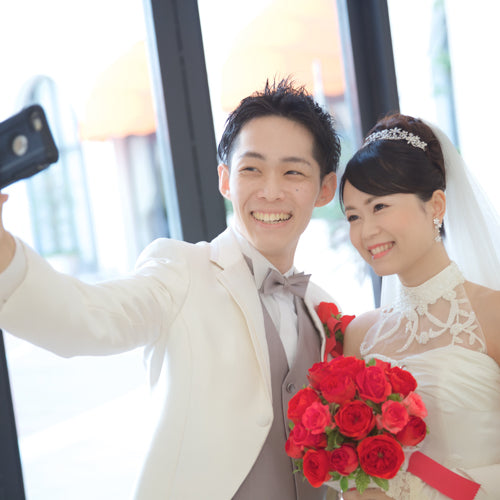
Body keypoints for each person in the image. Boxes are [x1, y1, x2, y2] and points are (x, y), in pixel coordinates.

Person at [0, 79, 341, 499]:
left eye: (293, 172)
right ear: (225, 180)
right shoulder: (180, 270)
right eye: (251, 168)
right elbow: (86, 318)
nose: (271, 191)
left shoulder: (322, 307)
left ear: (324, 188)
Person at [338, 113, 500, 499]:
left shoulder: (492, 315)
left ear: (436, 205)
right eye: (353, 216)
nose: (365, 232)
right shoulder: (361, 334)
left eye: (379, 207)